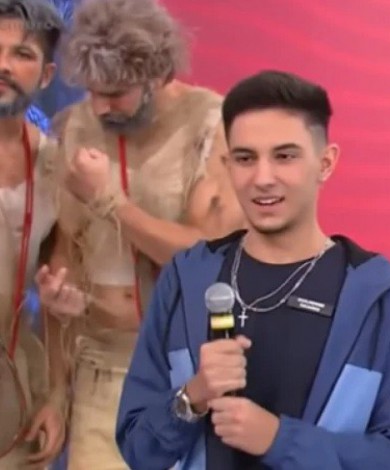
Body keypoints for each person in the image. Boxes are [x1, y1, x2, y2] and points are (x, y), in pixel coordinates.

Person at [115, 70, 390, 470]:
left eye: (284, 156)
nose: (263, 179)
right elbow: (138, 449)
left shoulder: (383, 296)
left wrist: (279, 440)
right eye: (245, 159)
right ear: (227, 165)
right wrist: (192, 397)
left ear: (325, 163)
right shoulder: (187, 278)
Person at [34, 0, 245, 467]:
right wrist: (59, 294)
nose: (100, 107)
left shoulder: (211, 124)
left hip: (186, 371)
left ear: (158, 75)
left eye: (116, 93)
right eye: (92, 91)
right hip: (99, 373)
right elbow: (65, 251)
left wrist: (110, 201)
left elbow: (210, 255)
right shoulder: (76, 126)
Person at [0, 1, 66, 468]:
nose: (3, 65)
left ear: (46, 76)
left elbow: (60, 290)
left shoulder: (57, 165)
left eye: (21, 53)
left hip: (17, 380)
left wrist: (57, 395)